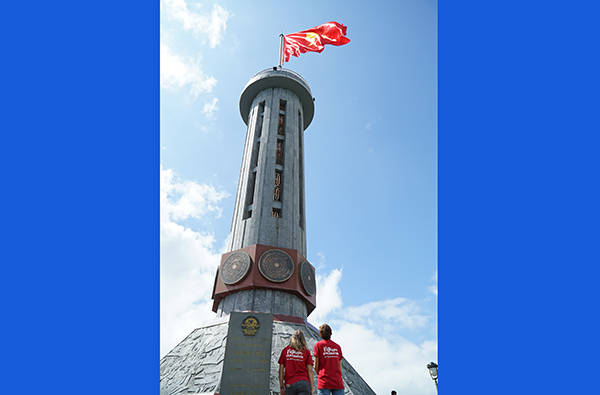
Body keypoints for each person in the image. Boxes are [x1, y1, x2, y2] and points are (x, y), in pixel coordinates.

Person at [279, 330, 314, 395]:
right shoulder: (306, 352)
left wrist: (281, 387)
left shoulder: (285, 350)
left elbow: (281, 370)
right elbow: (310, 371)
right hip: (304, 383)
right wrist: (311, 388)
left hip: (290, 384)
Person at [313, 324, 344, 395]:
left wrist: (320, 375)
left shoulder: (318, 345)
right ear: (331, 333)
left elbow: (315, 366)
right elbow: (340, 367)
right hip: (337, 381)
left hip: (324, 381)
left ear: (320, 334)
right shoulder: (337, 347)